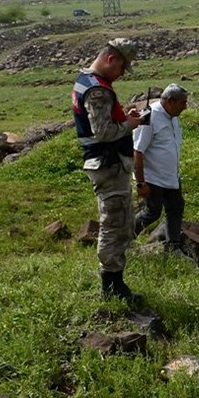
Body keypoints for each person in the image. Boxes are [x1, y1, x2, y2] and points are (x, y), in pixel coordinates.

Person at [72, 39, 145, 303]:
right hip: (108, 165)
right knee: (114, 225)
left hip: (109, 164)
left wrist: (124, 117)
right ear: (111, 59)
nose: (123, 74)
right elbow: (103, 132)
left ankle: (115, 283)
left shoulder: (88, 82)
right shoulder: (98, 90)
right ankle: (112, 287)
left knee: (120, 221)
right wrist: (130, 124)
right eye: (123, 67)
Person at [133, 84, 188, 251]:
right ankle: (123, 238)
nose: (185, 107)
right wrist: (141, 183)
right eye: (182, 103)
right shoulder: (148, 116)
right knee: (152, 212)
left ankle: (173, 246)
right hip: (153, 177)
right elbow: (137, 151)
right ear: (170, 101)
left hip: (170, 175)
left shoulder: (173, 116)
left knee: (176, 207)